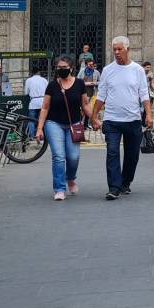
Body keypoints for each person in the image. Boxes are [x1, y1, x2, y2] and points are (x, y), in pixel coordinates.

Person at [91, 36, 153, 200]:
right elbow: (101, 94)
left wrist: (149, 114)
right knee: (112, 152)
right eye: (114, 50)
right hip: (112, 120)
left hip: (133, 120)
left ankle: (125, 182)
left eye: (120, 49)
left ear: (128, 49)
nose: (117, 52)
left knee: (132, 155)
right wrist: (94, 115)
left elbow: (144, 94)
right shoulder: (107, 70)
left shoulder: (137, 70)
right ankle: (114, 187)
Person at [35, 56, 92, 200]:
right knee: (59, 156)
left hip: (74, 124)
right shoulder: (52, 86)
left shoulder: (79, 84)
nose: (61, 70)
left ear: (71, 68)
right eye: (59, 68)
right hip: (54, 123)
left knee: (73, 157)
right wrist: (39, 128)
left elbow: (85, 104)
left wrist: (95, 119)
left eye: (64, 67)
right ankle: (59, 188)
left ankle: (70, 178)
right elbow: (45, 108)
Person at [24, 68, 48, 135]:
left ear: (32, 73)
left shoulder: (29, 80)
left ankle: (32, 136)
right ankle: (42, 135)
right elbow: (48, 91)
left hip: (33, 102)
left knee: (31, 120)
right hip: (43, 101)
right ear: (39, 72)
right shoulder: (44, 80)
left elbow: (26, 92)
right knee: (42, 119)